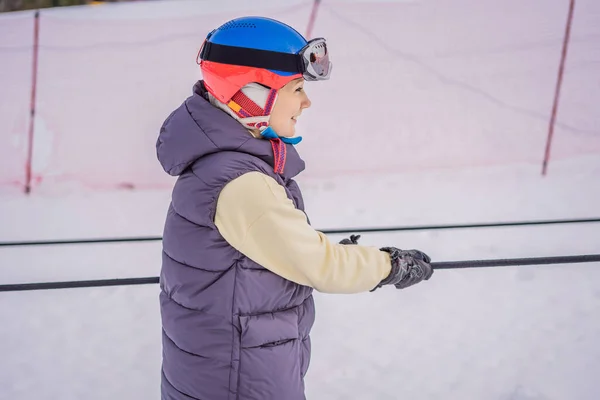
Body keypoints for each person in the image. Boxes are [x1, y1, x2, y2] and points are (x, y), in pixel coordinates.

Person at [156, 16, 434, 400]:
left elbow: (267, 254)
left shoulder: (223, 167)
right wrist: (390, 265)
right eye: (297, 88)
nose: (306, 101)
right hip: (239, 380)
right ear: (251, 94)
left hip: (230, 369)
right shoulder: (242, 184)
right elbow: (320, 266)